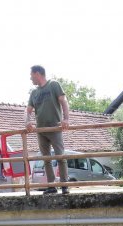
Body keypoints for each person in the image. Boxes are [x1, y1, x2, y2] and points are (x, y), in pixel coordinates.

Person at [26, 65, 71, 194]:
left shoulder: (53, 85)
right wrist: (27, 122)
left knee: (60, 156)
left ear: (37, 73)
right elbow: (28, 110)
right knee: (46, 159)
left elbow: (63, 101)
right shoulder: (34, 93)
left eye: (31, 75)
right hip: (41, 130)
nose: (30, 78)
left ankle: (64, 186)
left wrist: (66, 119)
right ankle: (51, 186)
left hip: (55, 126)